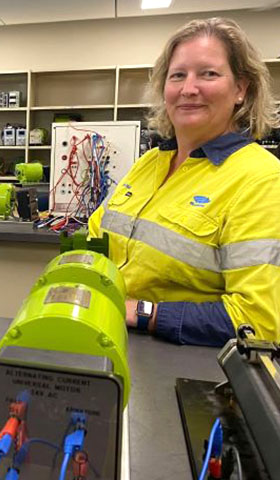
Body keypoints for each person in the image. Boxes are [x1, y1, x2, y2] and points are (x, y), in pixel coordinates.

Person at [89, 18, 280, 346]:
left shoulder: (262, 179)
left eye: (209, 73)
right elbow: (96, 235)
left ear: (240, 89)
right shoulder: (150, 163)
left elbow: (260, 321)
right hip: (107, 338)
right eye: (178, 75)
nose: (189, 88)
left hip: (181, 367)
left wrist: (144, 313)